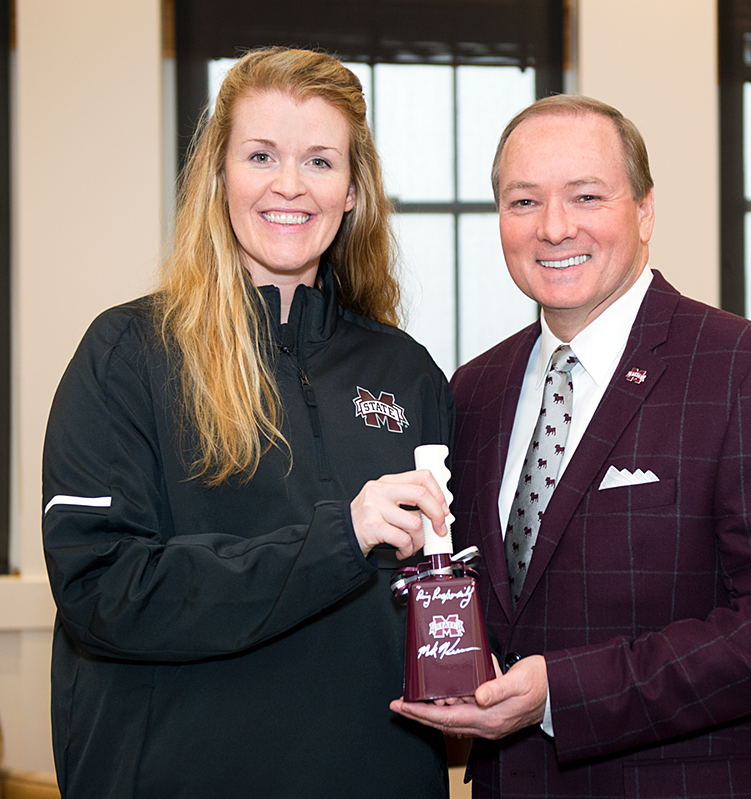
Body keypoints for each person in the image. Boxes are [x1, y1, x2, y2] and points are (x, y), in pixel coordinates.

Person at [391, 95, 751, 797]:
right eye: (524, 201)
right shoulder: (474, 389)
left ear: (644, 210)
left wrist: (564, 693)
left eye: (586, 195)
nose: (554, 227)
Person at [42, 48, 454, 798]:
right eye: (261, 154)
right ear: (217, 176)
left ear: (353, 189)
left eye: (321, 161)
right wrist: (342, 535)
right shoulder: (128, 354)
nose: (289, 184)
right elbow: (104, 592)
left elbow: (438, 589)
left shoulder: (407, 373)